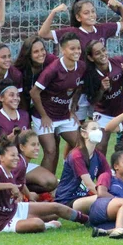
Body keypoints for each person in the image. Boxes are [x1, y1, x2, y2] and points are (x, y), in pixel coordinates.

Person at [39, 0, 123, 121]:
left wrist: (120, 6)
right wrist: (54, 12)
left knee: (96, 128)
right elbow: (43, 33)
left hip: (99, 86)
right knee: (78, 126)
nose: (91, 15)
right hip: (80, 87)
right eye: (86, 12)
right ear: (78, 17)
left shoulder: (103, 28)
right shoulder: (72, 32)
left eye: (93, 11)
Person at [0, 139, 89, 233]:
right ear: (1, 157)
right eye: (12, 155)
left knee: (56, 208)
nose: (16, 158)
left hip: (15, 209)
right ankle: (47, 225)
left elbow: (20, 185)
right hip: (3, 222)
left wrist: (24, 196)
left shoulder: (10, 171)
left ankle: (88, 221)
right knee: (38, 223)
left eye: (17, 155)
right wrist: (10, 186)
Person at [30, 32, 86, 174]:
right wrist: (44, 116)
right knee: (50, 150)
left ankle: (74, 183)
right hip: (45, 116)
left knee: (83, 146)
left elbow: (78, 88)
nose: (77, 51)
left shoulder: (81, 66)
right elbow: (34, 92)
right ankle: (43, 189)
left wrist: (72, 110)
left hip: (64, 116)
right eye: (72, 49)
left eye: (78, 48)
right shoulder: (53, 69)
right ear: (63, 50)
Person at [83, 40, 123, 156]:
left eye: (103, 50)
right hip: (103, 113)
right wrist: (101, 90)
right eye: (97, 53)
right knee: (100, 144)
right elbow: (92, 101)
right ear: (91, 58)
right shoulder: (90, 75)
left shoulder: (119, 61)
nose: (103, 54)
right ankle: (100, 172)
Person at [54, 120, 112, 213]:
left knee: (109, 199)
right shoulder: (76, 155)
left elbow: (108, 176)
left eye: (99, 129)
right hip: (67, 200)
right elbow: (89, 184)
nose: (98, 131)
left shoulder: (98, 155)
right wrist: (112, 197)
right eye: (94, 129)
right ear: (84, 133)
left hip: (84, 197)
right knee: (106, 201)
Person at [14, 35, 57, 114]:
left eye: (42, 49)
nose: (41, 54)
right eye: (36, 51)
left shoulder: (51, 61)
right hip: (23, 100)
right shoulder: (19, 69)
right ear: (28, 53)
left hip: (45, 100)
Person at [15, 130, 58, 196]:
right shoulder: (19, 164)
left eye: (38, 144)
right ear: (22, 147)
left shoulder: (23, 162)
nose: (37, 148)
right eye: (33, 145)